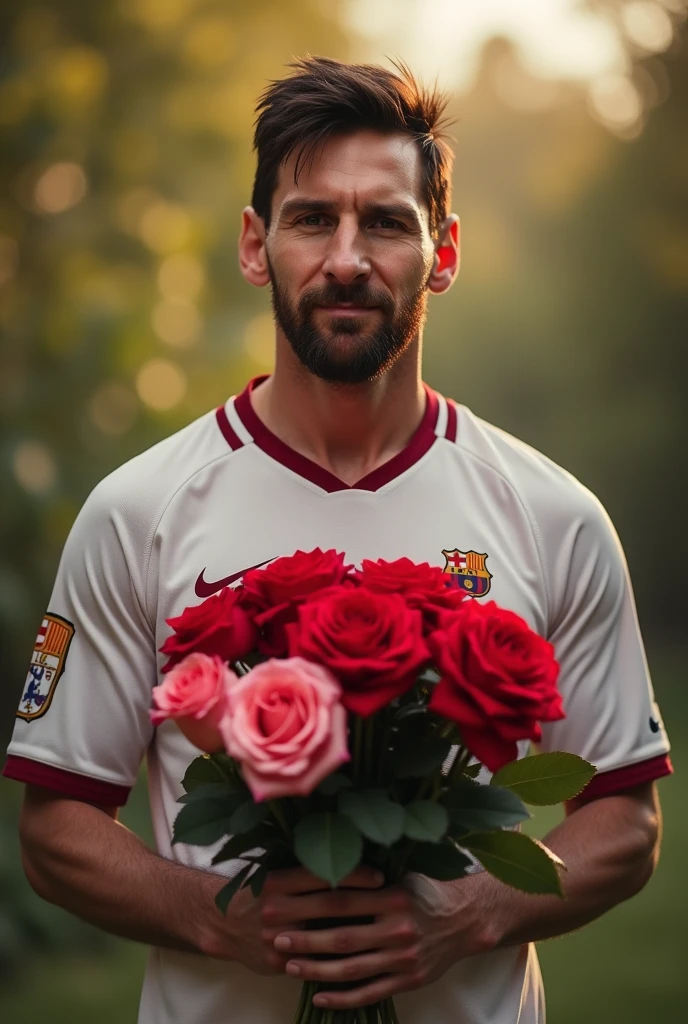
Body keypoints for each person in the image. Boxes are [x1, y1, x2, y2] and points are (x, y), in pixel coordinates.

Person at [3, 57, 672, 1024]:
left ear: (443, 252)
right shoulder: (135, 510)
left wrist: (474, 912)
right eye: (313, 217)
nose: (347, 258)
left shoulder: (554, 516)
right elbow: (57, 824)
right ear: (253, 243)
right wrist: (218, 917)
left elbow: (625, 818)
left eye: (387, 222)